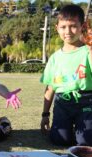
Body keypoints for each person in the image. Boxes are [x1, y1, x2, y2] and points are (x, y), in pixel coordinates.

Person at [40, 4, 92, 146]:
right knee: (60, 140)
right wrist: (45, 115)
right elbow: (50, 88)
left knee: (86, 142)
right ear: (57, 28)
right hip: (62, 103)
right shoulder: (55, 58)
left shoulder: (88, 51)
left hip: (86, 102)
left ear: (83, 26)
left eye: (73, 26)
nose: (68, 31)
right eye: (63, 27)